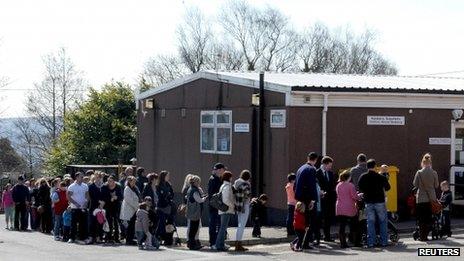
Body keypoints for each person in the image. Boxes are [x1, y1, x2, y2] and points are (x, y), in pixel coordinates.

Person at [358, 159, 390, 248]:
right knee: (383, 222)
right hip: (380, 201)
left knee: (370, 222)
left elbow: (360, 187)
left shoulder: (363, 176)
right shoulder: (381, 177)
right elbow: (388, 188)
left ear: (367, 166)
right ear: (375, 166)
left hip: (368, 202)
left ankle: (371, 242)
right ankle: (384, 241)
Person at [294, 152, 319, 248]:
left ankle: (299, 241)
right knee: (310, 222)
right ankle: (305, 243)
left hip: (300, 198)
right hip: (307, 198)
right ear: (315, 160)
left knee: (302, 221)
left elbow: (296, 184)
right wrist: (313, 200)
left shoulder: (300, 168)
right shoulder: (311, 169)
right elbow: (312, 186)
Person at [413, 153, 439, 241]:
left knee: (421, 219)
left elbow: (415, 184)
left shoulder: (419, 173)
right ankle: (427, 235)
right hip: (431, 198)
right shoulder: (434, 172)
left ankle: (422, 237)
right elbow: (436, 185)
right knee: (429, 218)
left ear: (423, 162)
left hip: (420, 198)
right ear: (430, 162)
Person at [336, 170, 360, 248]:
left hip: (340, 207)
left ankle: (343, 244)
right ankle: (355, 242)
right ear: (348, 177)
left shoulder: (338, 185)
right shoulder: (350, 185)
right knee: (354, 225)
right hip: (350, 208)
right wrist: (359, 195)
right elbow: (354, 197)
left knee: (342, 226)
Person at [316, 156, 336, 242]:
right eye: (329, 165)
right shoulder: (317, 172)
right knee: (318, 219)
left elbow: (332, 186)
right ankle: (317, 237)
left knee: (328, 219)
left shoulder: (330, 173)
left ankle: (327, 236)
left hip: (329, 200)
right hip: (320, 200)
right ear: (324, 164)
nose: (330, 167)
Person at [214, 171, 235, 251]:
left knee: (223, 228)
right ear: (228, 177)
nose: (232, 178)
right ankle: (219, 245)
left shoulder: (223, 185)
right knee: (223, 228)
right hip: (226, 210)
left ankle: (220, 244)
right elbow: (226, 199)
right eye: (231, 177)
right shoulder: (227, 186)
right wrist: (232, 205)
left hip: (223, 210)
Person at [67, 172, 90, 243]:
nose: (82, 178)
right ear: (76, 177)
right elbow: (69, 196)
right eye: (81, 177)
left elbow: (87, 195)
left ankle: (83, 238)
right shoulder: (72, 186)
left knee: (83, 223)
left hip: (83, 207)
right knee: (73, 224)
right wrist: (75, 203)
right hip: (74, 208)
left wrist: (86, 202)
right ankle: (72, 238)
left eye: (82, 177)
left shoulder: (85, 185)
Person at [186, 175, 207, 250]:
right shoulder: (194, 190)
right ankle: (192, 245)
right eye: (198, 182)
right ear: (195, 182)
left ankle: (192, 244)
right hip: (194, 212)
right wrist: (205, 198)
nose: (199, 183)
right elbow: (199, 200)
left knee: (192, 229)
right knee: (193, 229)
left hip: (192, 211)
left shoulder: (190, 189)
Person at [101, 175, 123, 243]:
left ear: (114, 181)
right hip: (107, 206)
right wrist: (111, 199)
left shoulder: (118, 187)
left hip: (116, 206)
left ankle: (117, 238)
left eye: (111, 181)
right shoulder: (104, 187)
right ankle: (109, 237)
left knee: (116, 222)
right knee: (109, 222)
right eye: (108, 181)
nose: (110, 182)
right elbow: (103, 197)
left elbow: (121, 196)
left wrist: (116, 197)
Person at [234, 170, 252, 251]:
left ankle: (237, 244)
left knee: (239, 225)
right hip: (244, 206)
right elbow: (247, 195)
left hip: (238, 206)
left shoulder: (236, 183)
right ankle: (238, 244)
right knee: (242, 225)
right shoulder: (245, 185)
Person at [208, 163, 225, 247]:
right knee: (213, 225)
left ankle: (218, 242)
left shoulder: (219, 179)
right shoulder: (213, 179)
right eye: (223, 169)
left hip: (218, 206)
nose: (224, 171)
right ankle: (213, 242)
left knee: (218, 225)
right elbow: (211, 194)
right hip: (214, 206)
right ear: (219, 170)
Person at [120, 176, 141, 245]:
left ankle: (131, 238)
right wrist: (136, 206)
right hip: (129, 209)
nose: (134, 182)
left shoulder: (135, 188)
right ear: (129, 181)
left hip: (134, 209)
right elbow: (128, 200)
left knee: (132, 226)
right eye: (133, 181)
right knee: (129, 226)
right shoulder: (127, 189)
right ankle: (129, 239)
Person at [155, 170, 174, 244]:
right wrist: (166, 196)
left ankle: (166, 238)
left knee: (168, 223)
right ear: (163, 176)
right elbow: (160, 195)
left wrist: (169, 196)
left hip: (168, 205)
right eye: (167, 176)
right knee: (161, 222)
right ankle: (157, 236)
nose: (168, 177)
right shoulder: (158, 185)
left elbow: (171, 193)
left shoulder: (168, 184)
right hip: (161, 206)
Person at [88, 172, 104, 244]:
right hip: (93, 207)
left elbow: (105, 196)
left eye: (99, 177)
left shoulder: (103, 186)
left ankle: (98, 237)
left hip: (101, 207)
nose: (98, 178)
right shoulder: (91, 186)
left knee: (100, 222)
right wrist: (98, 201)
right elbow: (91, 197)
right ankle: (92, 237)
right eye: (97, 177)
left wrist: (103, 202)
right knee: (93, 222)